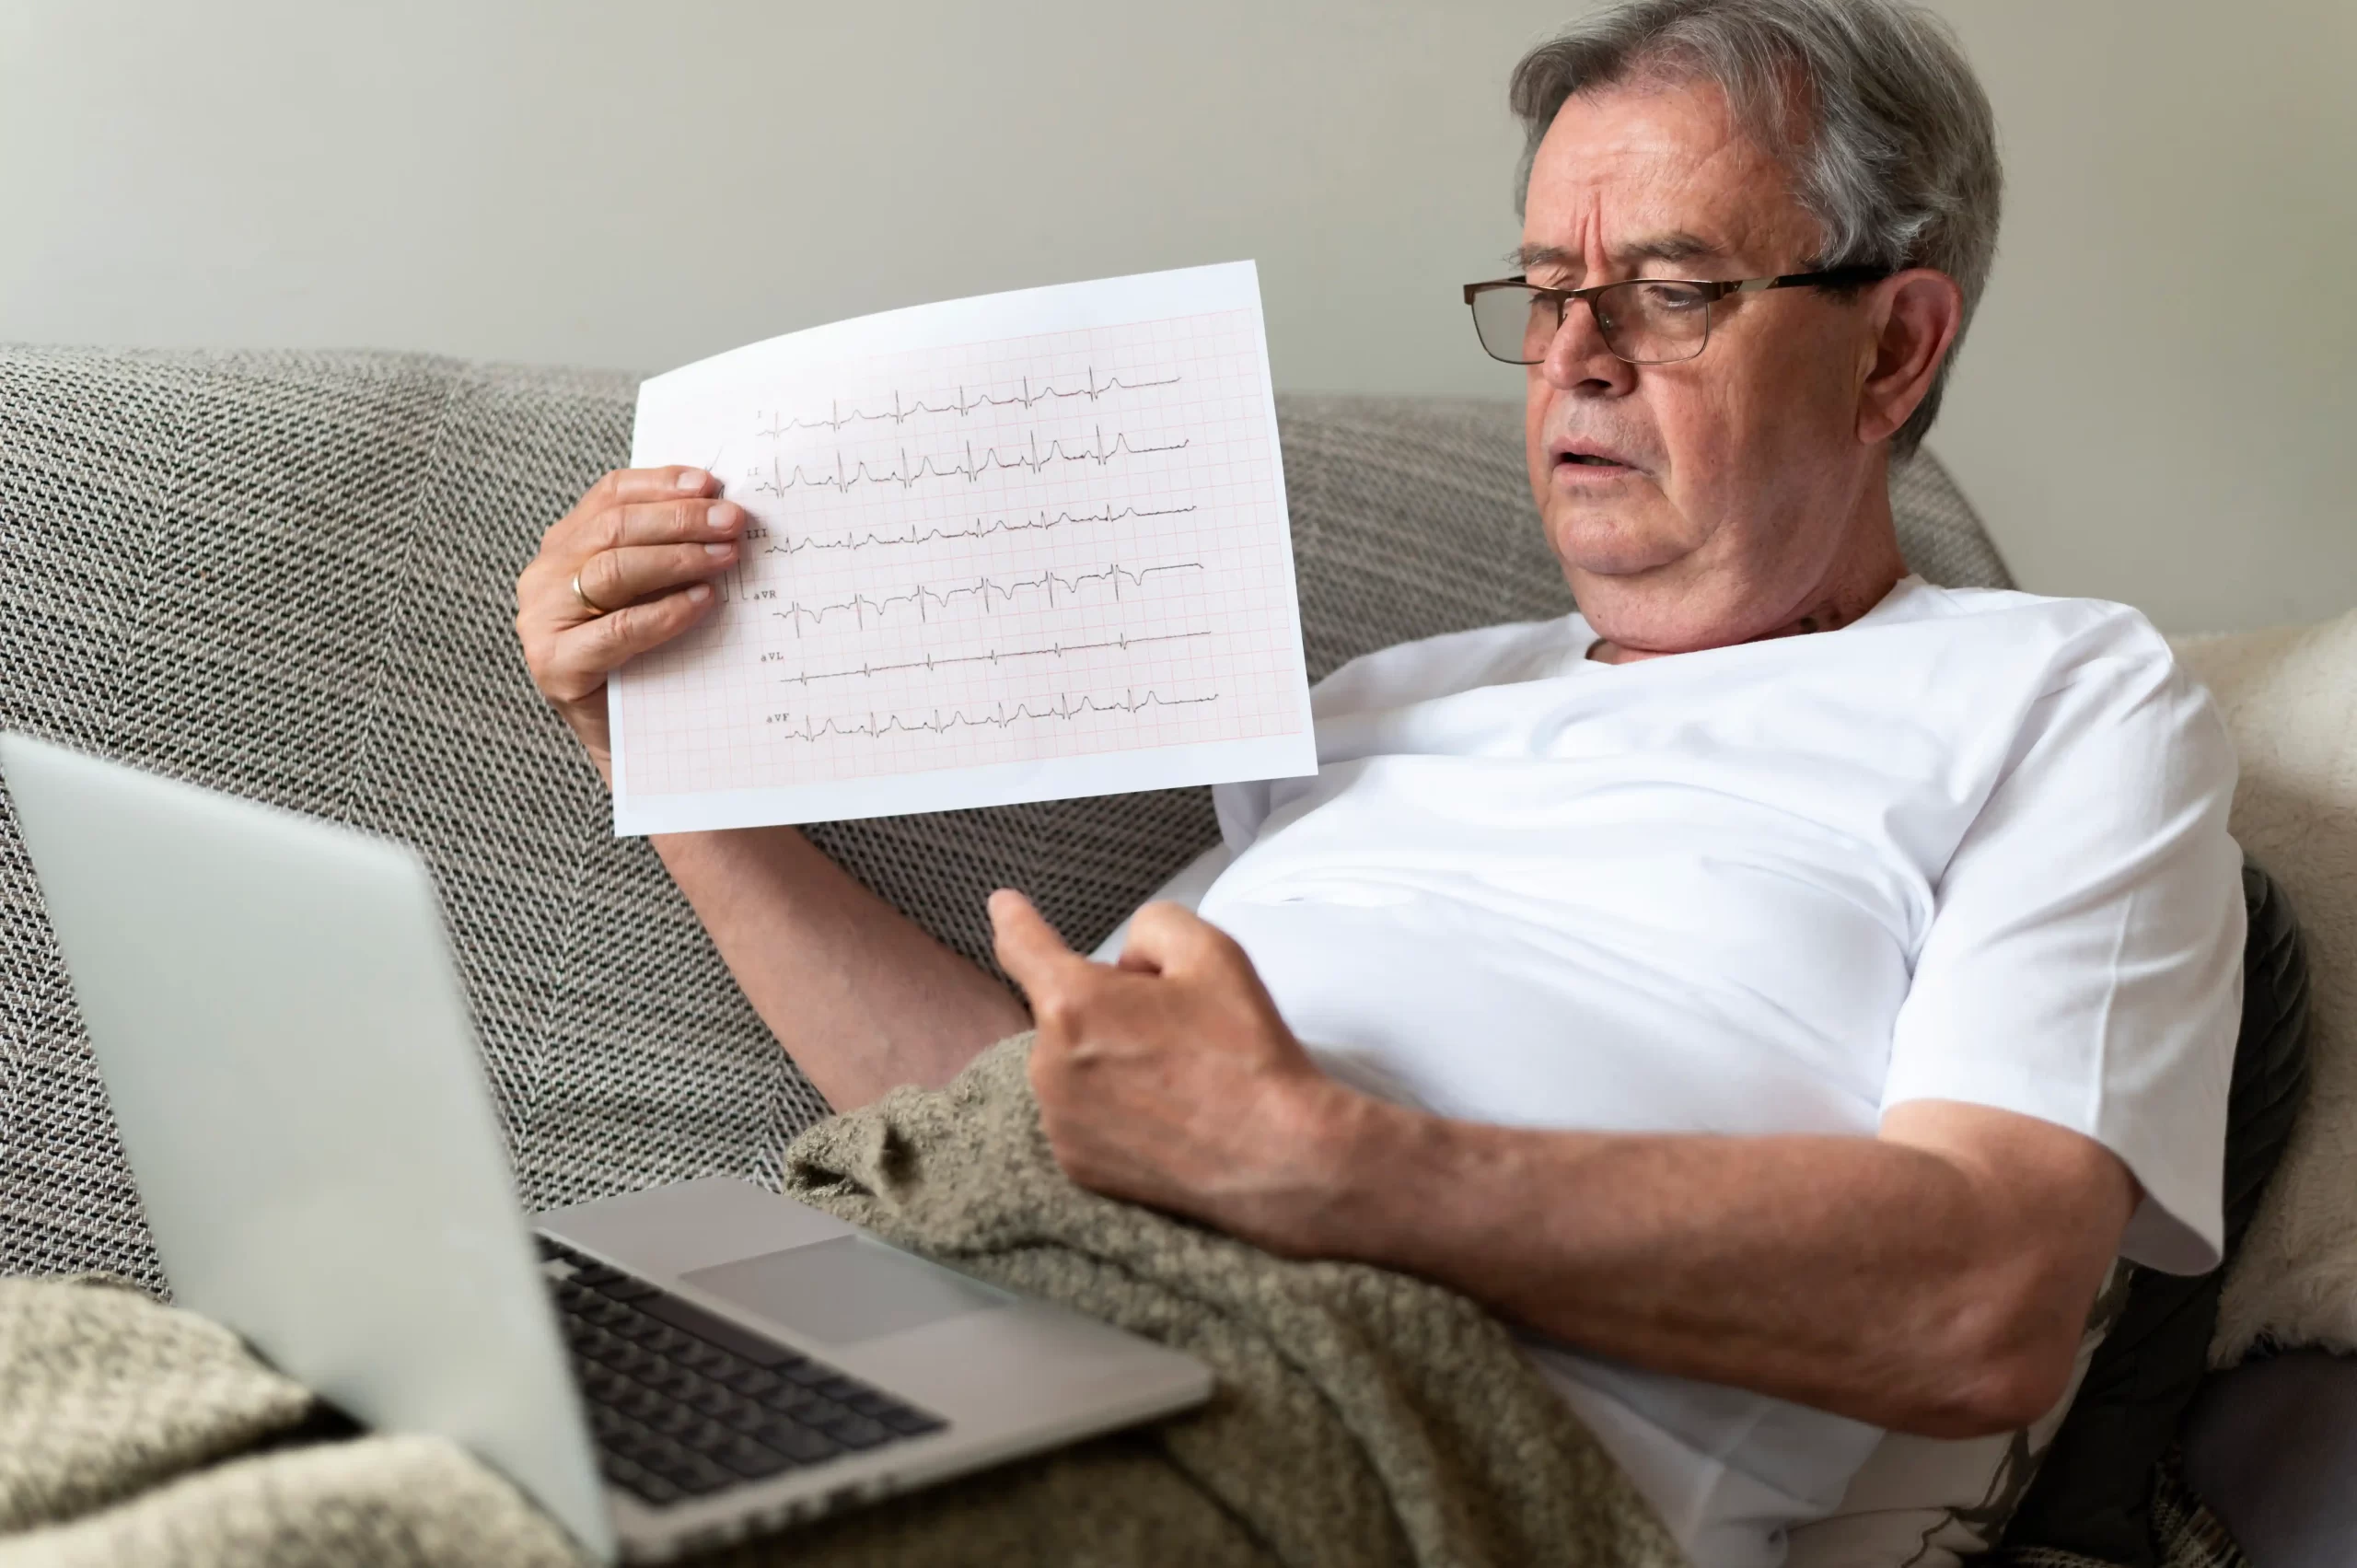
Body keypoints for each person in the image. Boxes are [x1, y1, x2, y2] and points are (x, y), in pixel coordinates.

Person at [511, 1, 2244, 1562]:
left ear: (1893, 348)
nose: (1577, 355)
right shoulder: (1382, 703)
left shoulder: (2069, 695)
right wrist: (659, 753)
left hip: (1390, 1436)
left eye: (1672, 288)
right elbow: (1051, 1112)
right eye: (1549, 294)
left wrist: (1333, 1166)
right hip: (963, 1293)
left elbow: (1987, 1296)